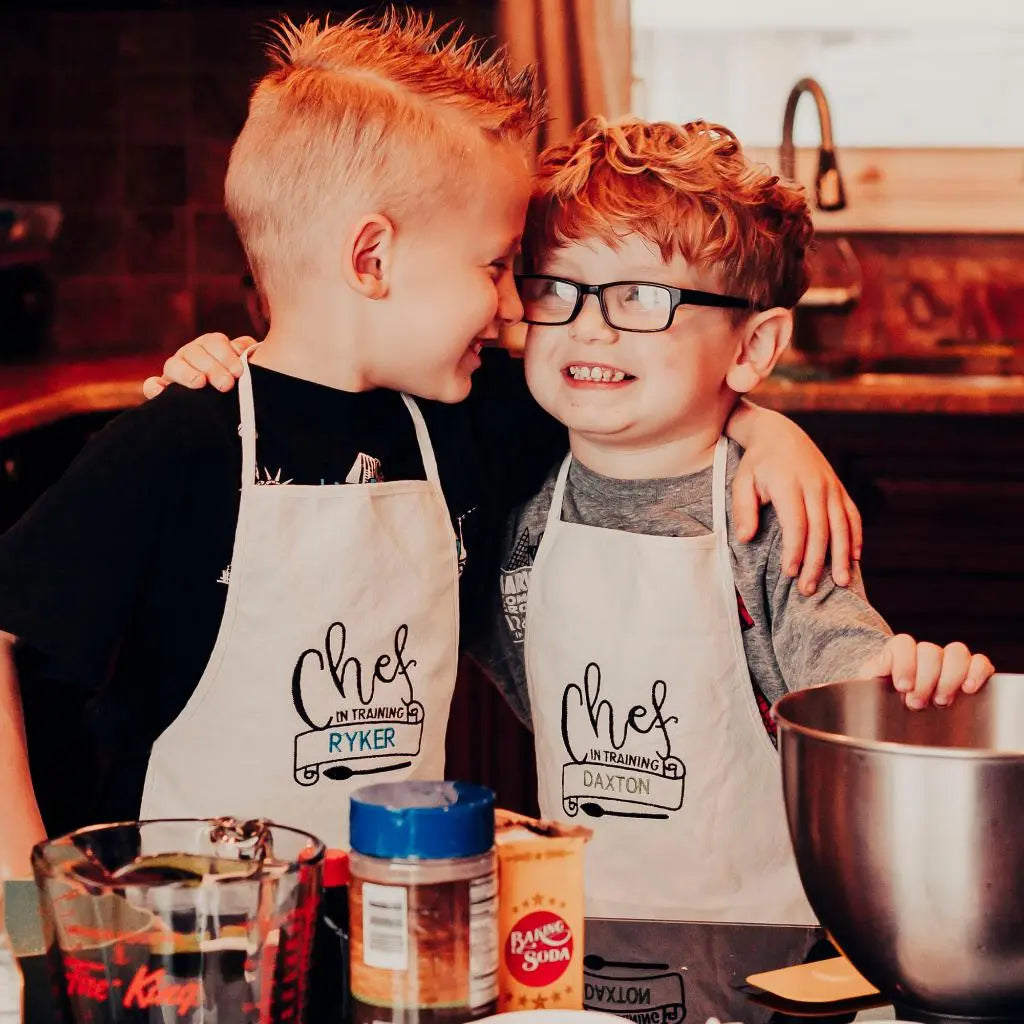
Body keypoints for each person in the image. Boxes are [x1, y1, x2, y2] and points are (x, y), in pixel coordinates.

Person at [0, 12, 856, 878]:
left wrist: (762, 427)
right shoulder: (178, 443)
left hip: (395, 926)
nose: (516, 309)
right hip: (190, 940)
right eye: (493, 268)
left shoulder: (467, 422)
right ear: (371, 260)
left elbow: (653, 406)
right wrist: (19, 888)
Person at [468, 116, 993, 923]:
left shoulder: (768, 511)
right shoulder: (511, 499)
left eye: (645, 296)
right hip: (572, 938)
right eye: (557, 288)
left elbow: (839, 662)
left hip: (764, 948)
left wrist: (905, 683)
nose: (590, 324)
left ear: (752, 348)